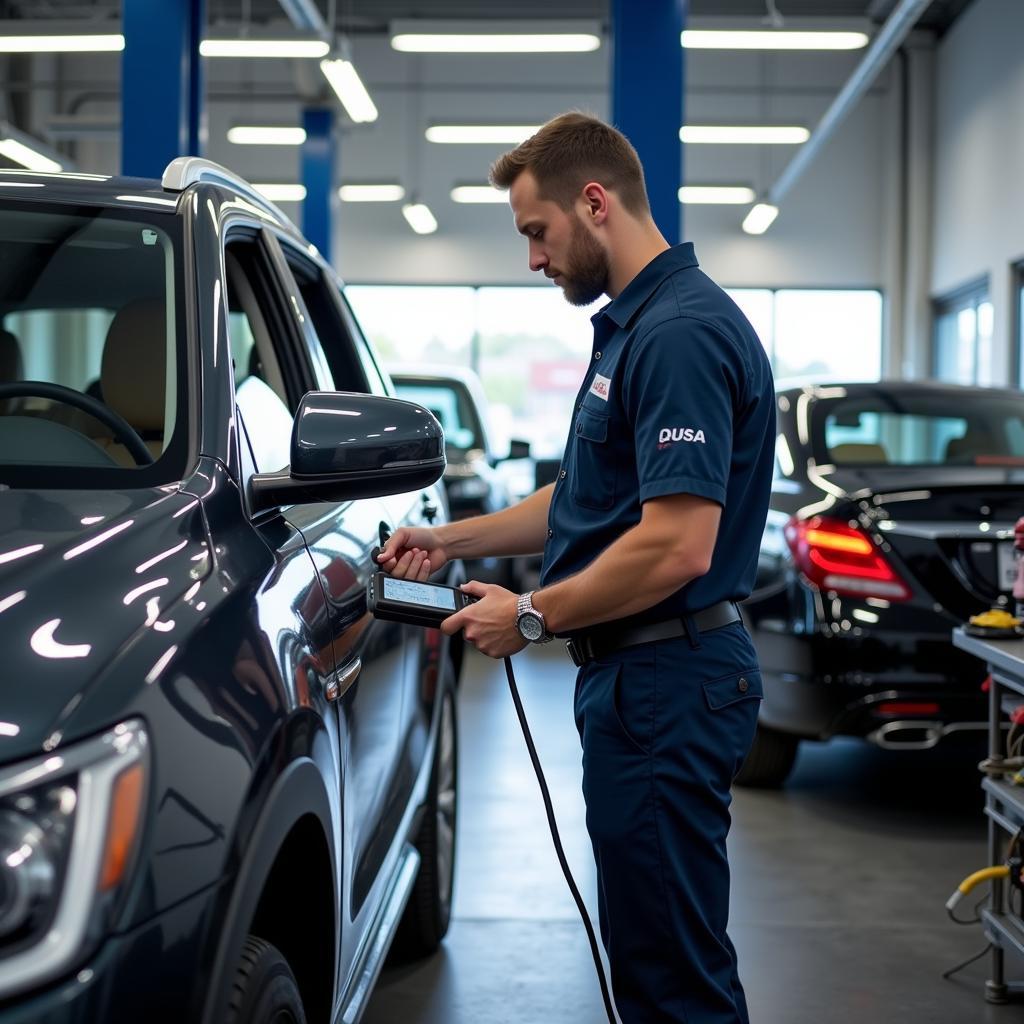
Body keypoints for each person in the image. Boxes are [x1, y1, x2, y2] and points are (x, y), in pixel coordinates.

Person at [376, 111, 775, 1024]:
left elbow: (678, 543)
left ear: (593, 203)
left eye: (536, 232)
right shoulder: (637, 329)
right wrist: (453, 540)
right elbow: (585, 502)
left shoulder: (677, 334)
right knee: (652, 953)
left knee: (673, 976)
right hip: (641, 680)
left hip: (667, 682)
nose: (533, 259)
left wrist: (529, 616)